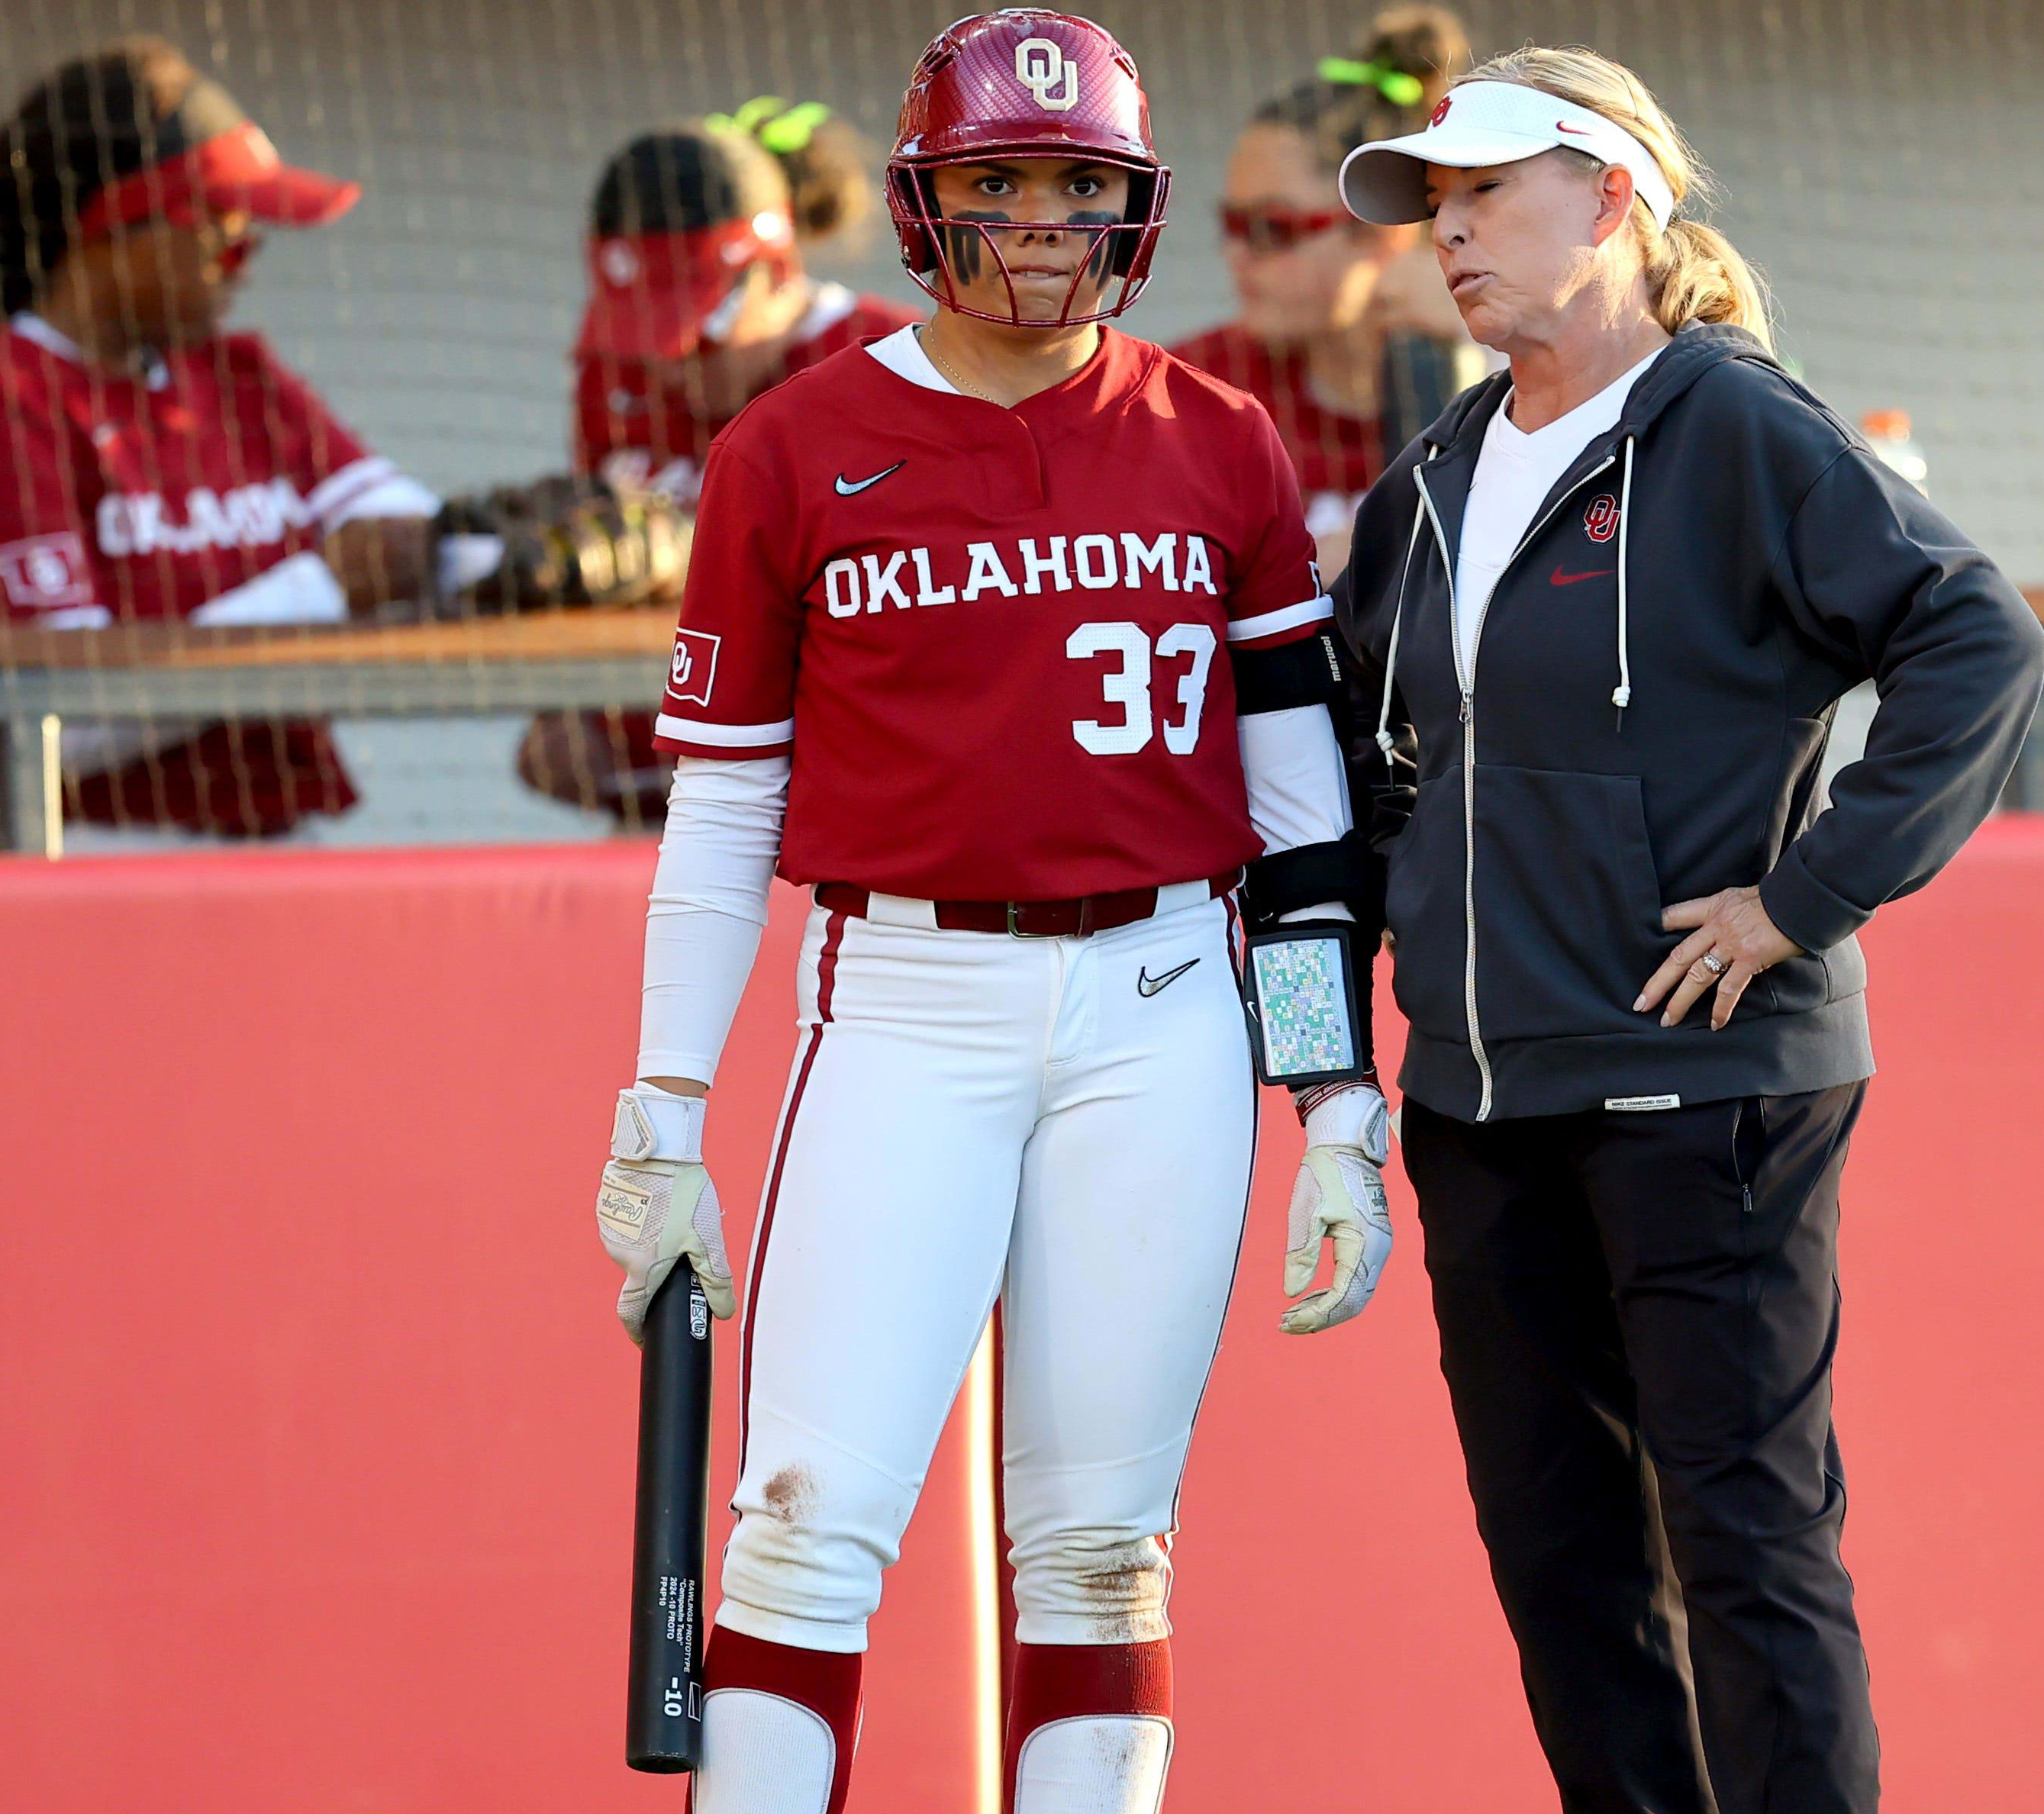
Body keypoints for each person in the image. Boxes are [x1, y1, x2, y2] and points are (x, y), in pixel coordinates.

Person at [585, 13, 1388, 1812]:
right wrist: (661, 1104)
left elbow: (1298, 814)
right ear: (918, 203)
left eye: (1078, 181)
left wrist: (1332, 1097)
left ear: (1133, 205)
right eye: (998, 180)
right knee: (802, 1529)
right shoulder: (786, 452)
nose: (1041, 216)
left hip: (1168, 993)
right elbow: (721, 810)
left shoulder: (1220, 439)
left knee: (1100, 1548)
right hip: (904, 996)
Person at [1329, 47, 2044, 1813]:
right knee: (1560, 1567)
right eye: (1436, 199)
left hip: (1706, 1088)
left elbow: (1977, 641)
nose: (1451, 229)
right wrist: (1335, 1063)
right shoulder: (1420, 478)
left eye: (1488, 188)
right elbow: (1359, 772)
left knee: (1744, 1545)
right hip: (1481, 1107)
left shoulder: (1738, 428)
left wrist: (1804, 898)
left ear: (1613, 198)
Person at [0, 37, 438, 846]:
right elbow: (61, 718)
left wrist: (530, 539)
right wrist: (321, 590)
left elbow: (411, 537)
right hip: (89, 861)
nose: (242, 261)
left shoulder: (238, 373)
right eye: (220, 232)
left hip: (274, 851)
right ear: (109, 232)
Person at [522, 103, 920, 818]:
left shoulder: (898, 365)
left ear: (777, 272)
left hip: (851, 801)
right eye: (643, 333)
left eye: (696, 332)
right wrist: (572, 696)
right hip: (661, 789)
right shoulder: (611, 378)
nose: (665, 364)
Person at [1168, 6, 1478, 579]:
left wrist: (1480, 343)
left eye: (1271, 229)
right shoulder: (1187, 388)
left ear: (1382, 231)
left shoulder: (1501, 378)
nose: (1235, 254)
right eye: (1231, 225)